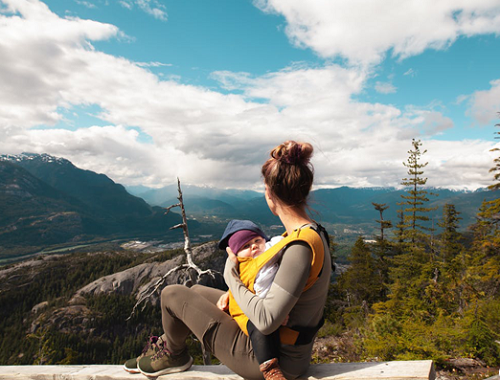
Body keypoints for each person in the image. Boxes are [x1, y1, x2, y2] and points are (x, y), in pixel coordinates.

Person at [135, 140, 332, 380]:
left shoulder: (299, 247)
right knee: (196, 291)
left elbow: (267, 321)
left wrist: (232, 276)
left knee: (172, 294)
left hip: (273, 359)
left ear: (270, 194)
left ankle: (173, 354)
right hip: (283, 347)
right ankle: (166, 347)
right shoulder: (308, 234)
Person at [216, 219, 286, 380]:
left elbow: (280, 242)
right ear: (236, 254)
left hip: (267, 307)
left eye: (257, 241)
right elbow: (245, 282)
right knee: (260, 328)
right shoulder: (246, 265)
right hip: (247, 312)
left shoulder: (267, 254)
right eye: (245, 246)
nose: (254, 246)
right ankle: (270, 369)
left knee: (268, 327)